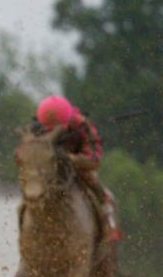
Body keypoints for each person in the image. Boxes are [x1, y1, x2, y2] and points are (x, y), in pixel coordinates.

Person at [35, 95, 121, 242]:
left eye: (55, 129)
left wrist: (69, 159)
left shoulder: (83, 126)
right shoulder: (39, 127)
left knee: (96, 186)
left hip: (80, 168)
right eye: (48, 130)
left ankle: (108, 225)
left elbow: (95, 159)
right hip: (51, 169)